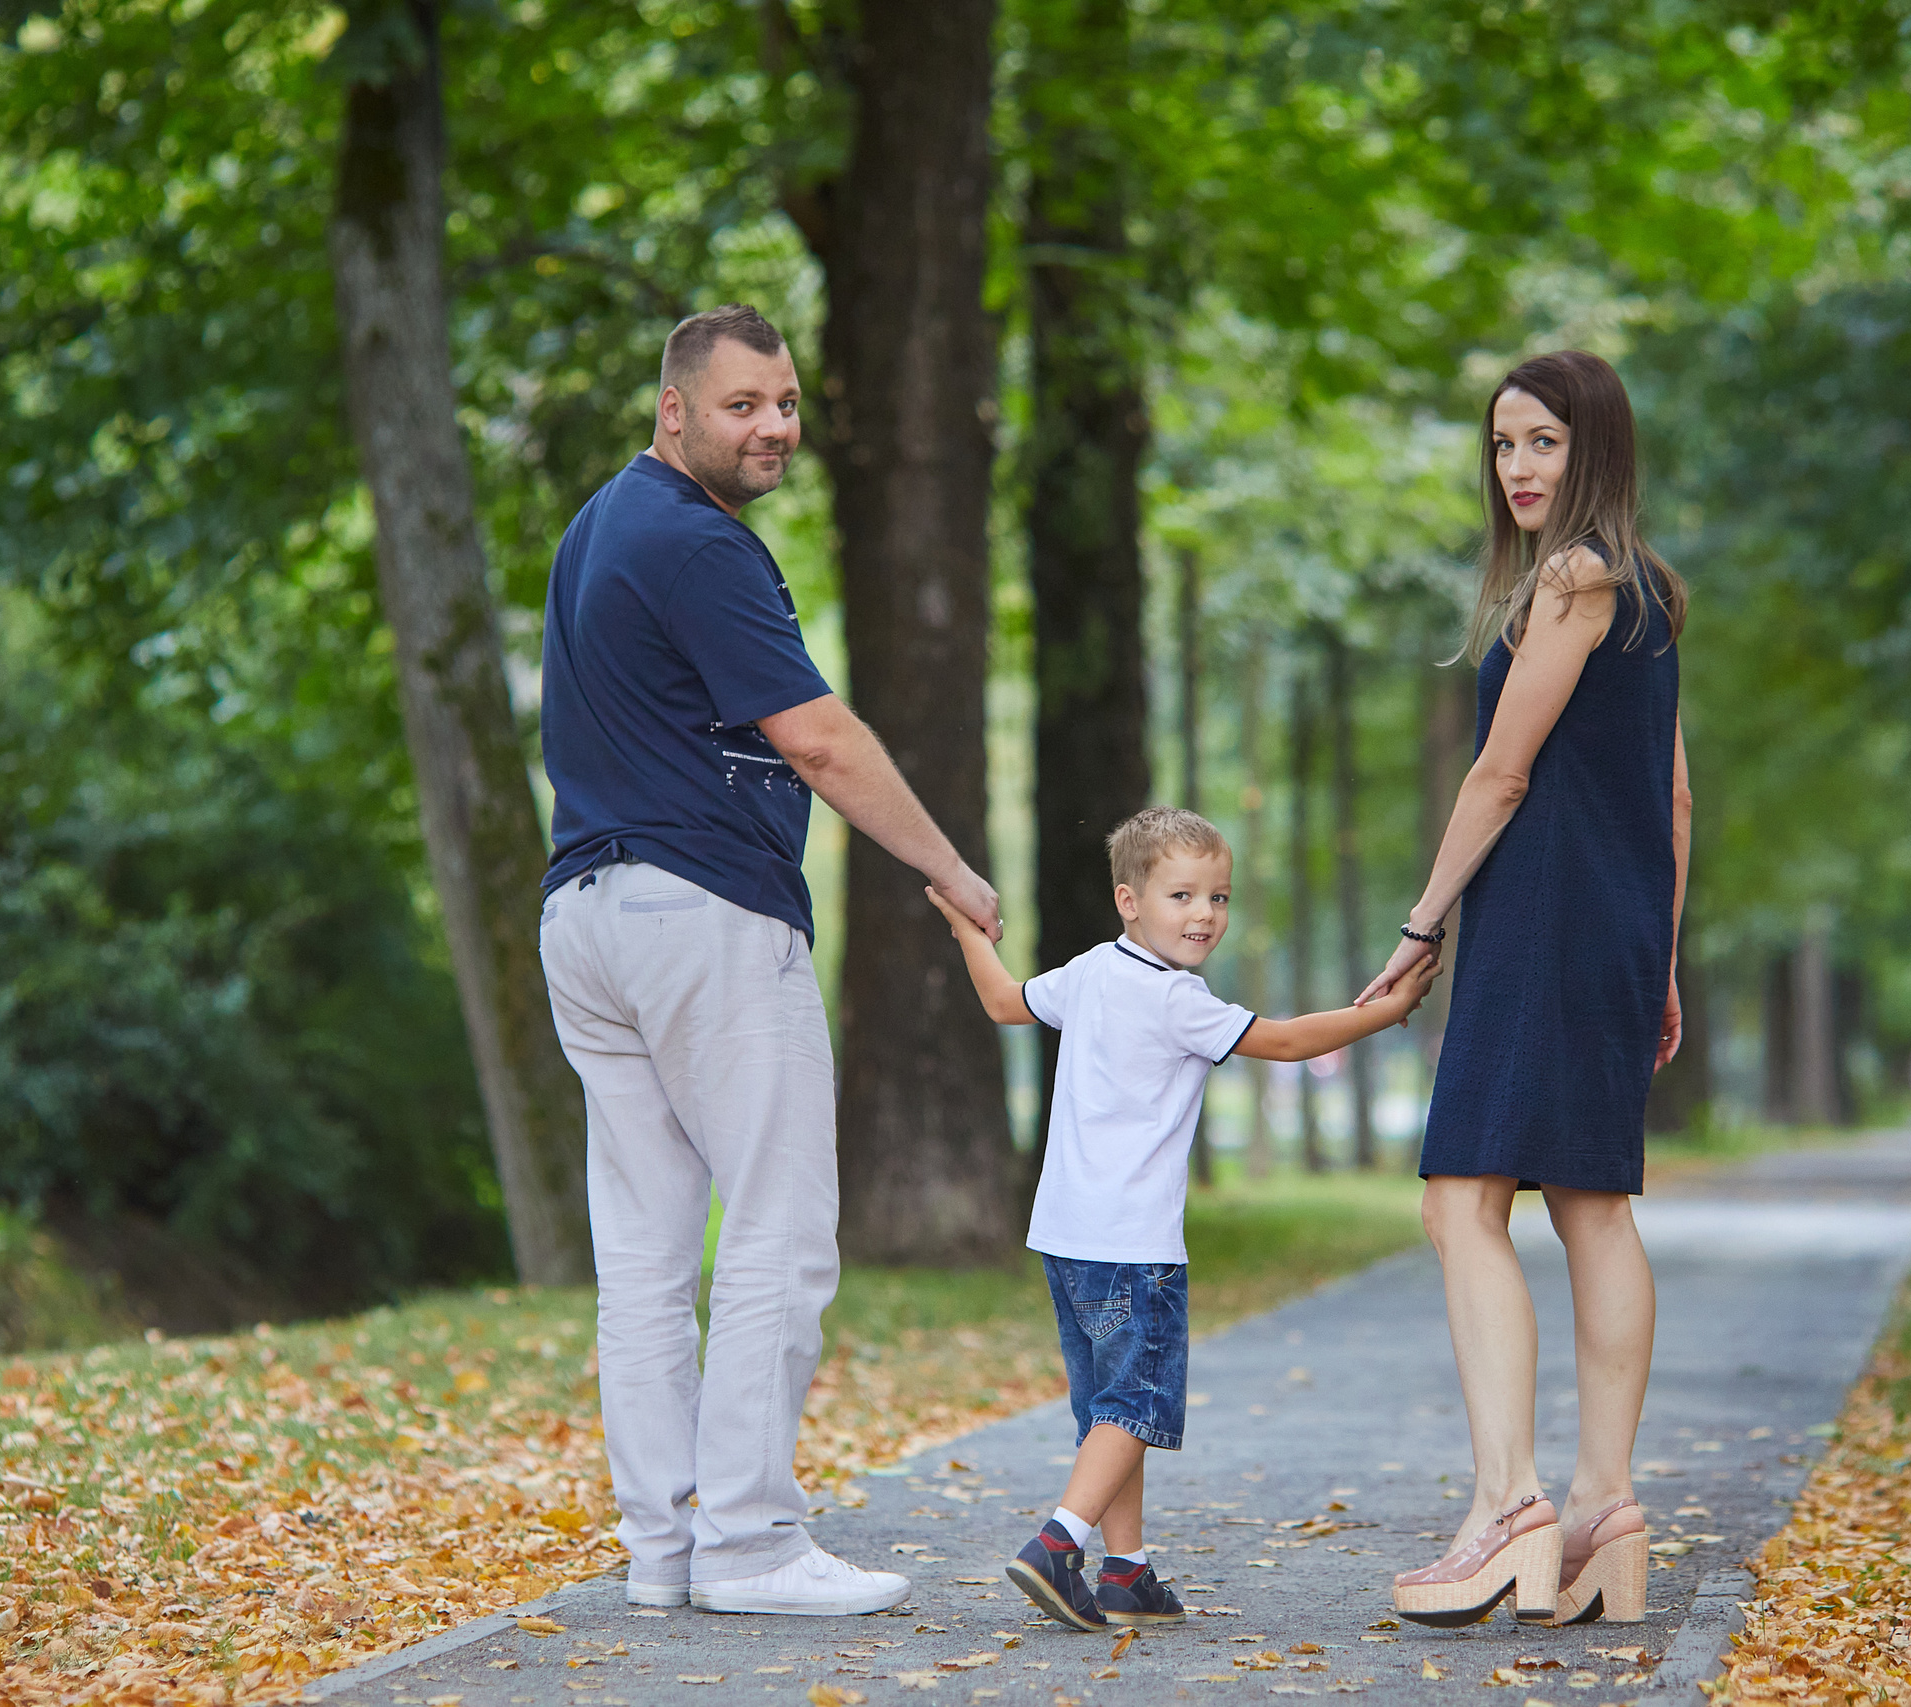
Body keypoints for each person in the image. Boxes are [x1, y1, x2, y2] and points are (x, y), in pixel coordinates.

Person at [536, 304, 1002, 1616]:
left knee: (643, 1255)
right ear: (674, 410)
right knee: (779, 1229)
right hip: (700, 915)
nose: (775, 427)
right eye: (743, 405)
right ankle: (746, 1543)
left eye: (787, 402)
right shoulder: (698, 543)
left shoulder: (596, 527)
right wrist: (950, 869)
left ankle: (663, 1547)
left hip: (586, 916)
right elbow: (819, 738)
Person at [1357, 350, 1692, 1630]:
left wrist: (1420, 922)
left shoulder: (1573, 581)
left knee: (1461, 1201)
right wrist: (1659, 956)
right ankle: (1604, 1510)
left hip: (1541, 918)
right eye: (1502, 445)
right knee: (1594, 1207)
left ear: (1593, 447)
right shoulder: (1649, 589)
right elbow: (1671, 799)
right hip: (1612, 928)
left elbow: (1500, 775)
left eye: (1543, 441)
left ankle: (1507, 1508)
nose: (1517, 468)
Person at [926, 807, 1438, 1631]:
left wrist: (963, 923)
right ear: (1128, 900)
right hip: (1134, 1246)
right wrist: (1386, 1008)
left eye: (1218, 896)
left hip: (1066, 1238)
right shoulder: (1177, 998)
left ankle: (1126, 1571)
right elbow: (1286, 1042)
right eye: (1182, 895)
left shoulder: (1088, 971)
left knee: (1109, 1412)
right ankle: (1058, 1544)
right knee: (1136, 1404)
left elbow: (999, 999)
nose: (1205, 913)